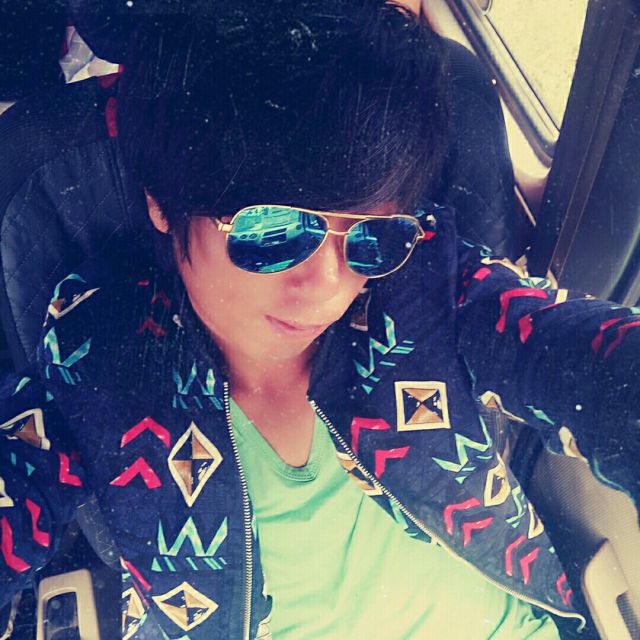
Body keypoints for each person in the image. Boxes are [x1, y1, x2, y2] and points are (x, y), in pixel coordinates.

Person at [0, 1, 638, 638]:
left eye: (371, 237)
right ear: (163, 204)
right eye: (272, 232)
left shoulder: (424, 284)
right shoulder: (97, 356)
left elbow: (592, 363)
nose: (327, 286)